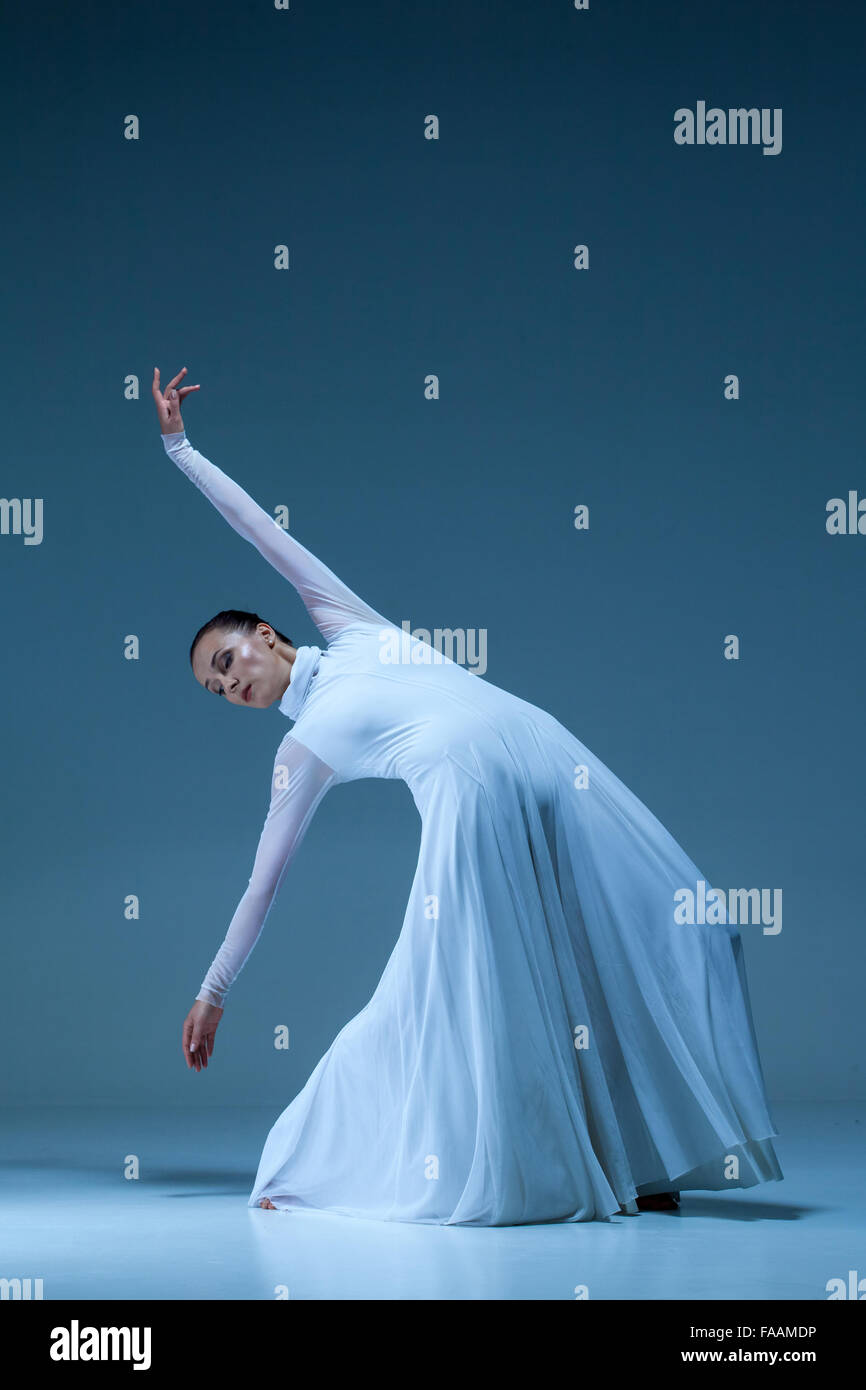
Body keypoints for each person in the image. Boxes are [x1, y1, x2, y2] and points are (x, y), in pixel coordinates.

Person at [152, 366, 783, 1225]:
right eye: (217, 691)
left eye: (228, 663)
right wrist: (214, 990)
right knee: (471, 990)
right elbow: (261, 886)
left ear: (266, 635)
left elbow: (259, 530)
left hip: (540, 745)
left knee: (668, 921)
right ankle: (544, 1166)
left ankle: (642, 1155)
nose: (232, 686)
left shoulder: (344, 619)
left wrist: (181, 448)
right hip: (468, 794)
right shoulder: (301, 753)